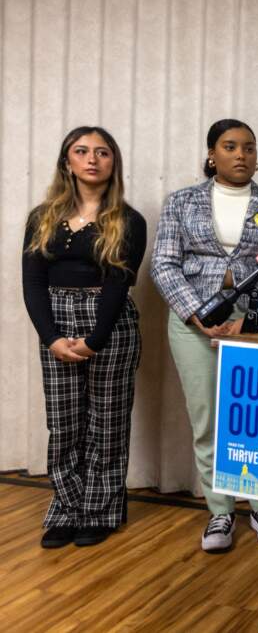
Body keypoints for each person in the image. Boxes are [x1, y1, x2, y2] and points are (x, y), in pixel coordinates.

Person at [151, 119, 258, 553]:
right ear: (212, 154)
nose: (241, 155)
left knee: (257, 416)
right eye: (230, 147)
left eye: (249, 148)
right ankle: (220, 512)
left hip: (255, 323)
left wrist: (251, 321)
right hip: (193, 320)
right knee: (209, 418)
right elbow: (163, 263)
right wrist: (196, 312)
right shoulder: (181, 202)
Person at [22, 126, 146, 549]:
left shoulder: (129, 221)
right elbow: (33, 283)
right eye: (81, 151)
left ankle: (101, 509)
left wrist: (94, 339)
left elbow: (117, 285)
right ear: (67, 161)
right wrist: (52, 337)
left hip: (109, 323)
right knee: (65, 423)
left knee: (107, 423)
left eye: (103, 152)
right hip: (55, 321)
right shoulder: (41, 219)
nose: (92, 159)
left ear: (114, 162)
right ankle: (66, 508)